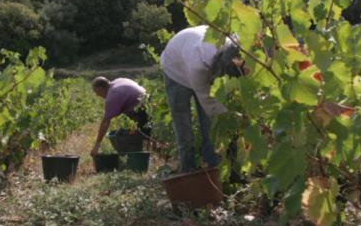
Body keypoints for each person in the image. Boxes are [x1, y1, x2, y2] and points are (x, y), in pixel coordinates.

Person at [160, 25, 250, 174]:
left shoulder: (236, 45)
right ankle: (188, 173)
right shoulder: (197, 64)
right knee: (185, 131)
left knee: (209, 129)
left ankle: (212, 173)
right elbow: (211, 106)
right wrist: (237, 119)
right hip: (175, 71)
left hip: (191, 54)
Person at [90, 77, 148, 157]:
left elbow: (105, 122)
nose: (97, 95)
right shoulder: (118, 81)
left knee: (122, 136)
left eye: (96, 92)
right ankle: (136, 158)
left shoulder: (112, 94)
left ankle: (131, 164)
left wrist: (97, 144)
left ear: (100, 89)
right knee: (126, 134)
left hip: (143, 112)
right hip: (149, 107)